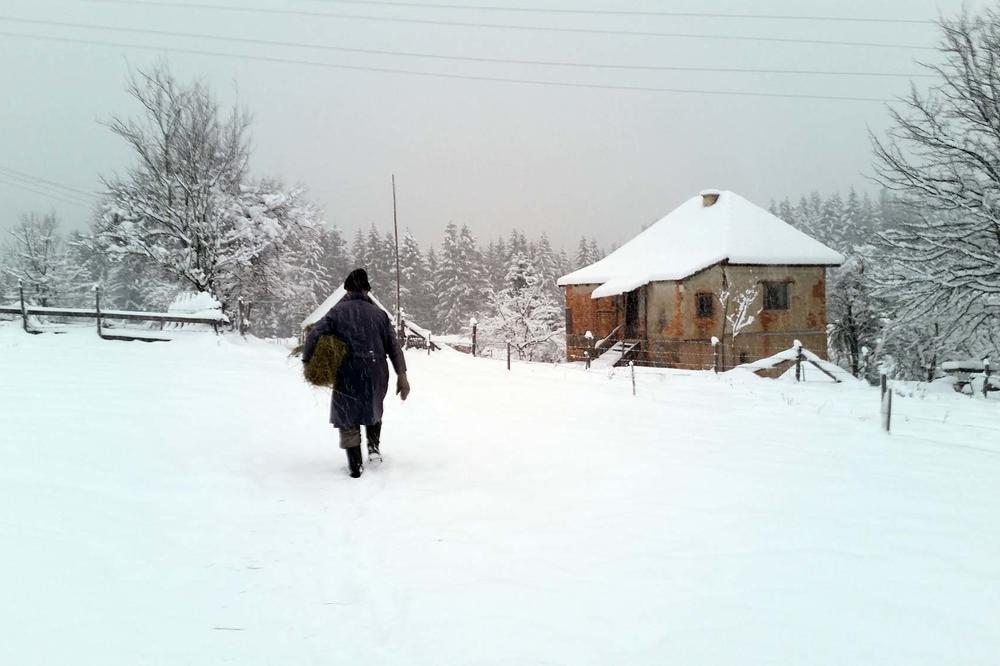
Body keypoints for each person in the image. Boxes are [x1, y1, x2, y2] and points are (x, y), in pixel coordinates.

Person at [302, 268, 409, 478]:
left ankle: (355, 465)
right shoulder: (380, 315)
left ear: (348, 289)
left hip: (348, 371)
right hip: (376, 370)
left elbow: (314, 333)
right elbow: (394, 347)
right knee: (373, 407)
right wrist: (402, 375)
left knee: (348, 415)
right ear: (367, 290)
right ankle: (373, 448)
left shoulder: (338, 312)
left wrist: (307, 360)